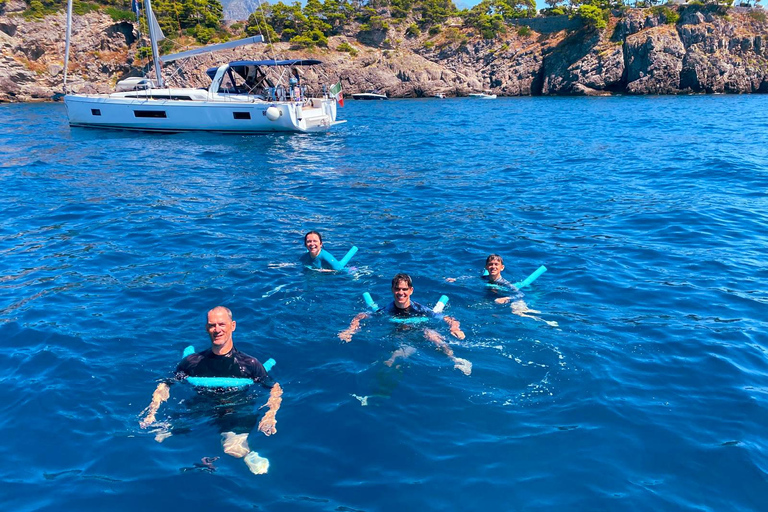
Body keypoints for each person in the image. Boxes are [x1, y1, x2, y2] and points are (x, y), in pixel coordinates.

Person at [140, 306, 283, 475]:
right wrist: (152, 412)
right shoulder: (192, 362)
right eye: (212, 325)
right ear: (206, 328)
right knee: (157, 435)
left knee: (231, 449)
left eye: (221, 324)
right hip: (201, 406)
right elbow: (165, 385)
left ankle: (249, 455)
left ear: (233, 326)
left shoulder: (249, 364)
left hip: (235, 408)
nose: (217, 330)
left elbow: (275, 388)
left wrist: (270, 414)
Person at [339, 273, 472, 375]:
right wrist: (350, 330)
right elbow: (361, 316)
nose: (400, 293)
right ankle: (392, 362)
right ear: (392, 290)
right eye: (397, 289)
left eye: (404, 289)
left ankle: (456, 359)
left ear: (411, 290)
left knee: (431, 334)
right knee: (394, 355)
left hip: (421, 329)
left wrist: (455, 327)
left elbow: (448, 318)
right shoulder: (387, 310)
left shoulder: (420, 309)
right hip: (398, 333)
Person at [483, 254, 558, 326]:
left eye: (496, 264)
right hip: (501, 298)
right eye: (490, 264)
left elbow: (520, 294)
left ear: (502, 268)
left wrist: (507, 298)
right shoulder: (484, 278)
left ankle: (547, 321)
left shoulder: (504, 283)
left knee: (520, 313)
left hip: (515, 300)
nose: (493, 266)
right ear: (486, 267)